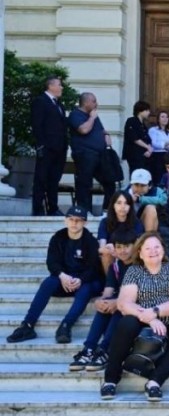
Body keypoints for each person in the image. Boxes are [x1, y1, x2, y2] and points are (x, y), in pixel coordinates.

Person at [100, 232, 169, 401]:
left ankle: (155, 382)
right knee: (126, 323)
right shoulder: (134, 271)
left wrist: (156, 311)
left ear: (163, 250)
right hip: (140, 319)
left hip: (168, 319)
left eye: (157, 247)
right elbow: (124, 303)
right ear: (141, 253)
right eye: (148, 248)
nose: (153, 251)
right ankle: (111, 379)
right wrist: (150, 318)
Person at [6, 206, 101, 344]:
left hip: (83, 281)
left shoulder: (90, 241)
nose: (74, 223)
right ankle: (27, 325)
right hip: (64, 279)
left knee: (87, 288)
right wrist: (62, 276)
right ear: (65, 220)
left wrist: (80, 280)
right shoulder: (58, 238)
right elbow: (52, 262)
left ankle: (65, 326)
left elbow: (93, 268)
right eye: (71, 219)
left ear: (85, 223)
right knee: (48, 283)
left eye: (78, 220)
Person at [68, 229, 137, 372]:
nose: (122, 250)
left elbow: (141, 295)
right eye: (118, 247)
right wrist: (101, 301)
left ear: (135, 246)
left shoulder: (140, 266)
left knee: (119, 308)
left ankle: (105, 350)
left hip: (137, 306)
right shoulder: (115, 266)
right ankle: (89, 349)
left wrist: (117, 303)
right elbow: (108, 289)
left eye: (126, 246)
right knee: (105, 305)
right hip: (121, 302)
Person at [68, 92, 116, 216]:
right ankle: (85, 211)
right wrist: (92, 118)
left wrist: (106, 135)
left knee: (110, 181)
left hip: (100, 154)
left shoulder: (93, 116)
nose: (97, 104)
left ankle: (107, 210)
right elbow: (84, 130)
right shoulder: (75, 115)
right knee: (85, 183)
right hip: (85, 154)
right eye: (94, 101)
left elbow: (101, 130)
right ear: (86, 102)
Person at [31, 76, 69, 216]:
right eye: (59, 85)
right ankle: (38, 209)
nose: (61, 87)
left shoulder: (59, 104)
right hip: (47, 148)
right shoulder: (40, 101)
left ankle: (53, 208)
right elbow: (37, 125)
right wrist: (41, 145)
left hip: (59, 148)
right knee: (41, 179)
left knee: (54, 179)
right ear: (51, 86)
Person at [97, 191, 144, 274]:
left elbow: (138, 245)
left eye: (126, 203)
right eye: (119, 203)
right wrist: (110, 249)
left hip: (130, 255)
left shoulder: (136, 222)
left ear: (130, 206)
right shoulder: (105, 222)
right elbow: (101, 248)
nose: (122, 207)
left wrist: (122, 252)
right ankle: (110, 283)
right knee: (106, 254)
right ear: (113, 205)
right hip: (112, 255)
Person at [122, 100, 153, 183]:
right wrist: (147, 147)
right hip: (134, 155)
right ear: (140, 111)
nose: (148, 113)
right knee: (136, 176)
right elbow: (134, 138)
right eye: (147, 110)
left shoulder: (143, 125)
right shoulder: (131, 121)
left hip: (144, 156)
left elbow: (147, 139)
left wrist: (149, 150)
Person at [147, 110, 169, 182]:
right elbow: (153, 143)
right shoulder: (153, 130)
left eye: (167, 117)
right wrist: (165, 144)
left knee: (167, 176)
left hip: (168, 156)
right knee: (158, 176)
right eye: (162, 117)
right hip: (157, 156)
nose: (165, 118)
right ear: (158, 119)